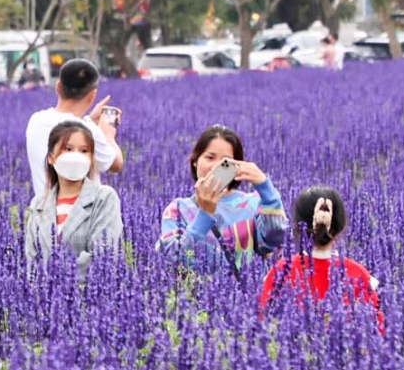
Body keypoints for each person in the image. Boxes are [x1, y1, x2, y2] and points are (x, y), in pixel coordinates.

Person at [156, 125, 287, 276]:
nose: (216, 166)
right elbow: (173, 262)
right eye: (210, 157)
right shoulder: (178, 209)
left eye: (226, 161)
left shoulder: (252, 204)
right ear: (195, 161)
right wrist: (204, 214)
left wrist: (266, 190)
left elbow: (274, 243)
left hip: (248, 296)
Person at [259, 187, 383, 330]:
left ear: (298, 226)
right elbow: (378, 327)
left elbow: (261, 318)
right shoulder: (358, 273)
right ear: (341, 226)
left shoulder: (281, 270)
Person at [24, 121, 123, 267]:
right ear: (51, 158)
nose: (76, 156)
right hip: (43, 289)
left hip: (88, 288)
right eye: (68, 149)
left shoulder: (103, 198)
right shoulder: (39, 203)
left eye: (84, 151)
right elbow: (30, 260)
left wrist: (58, 276)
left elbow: (105, 257)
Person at [23, 58, 122, 199]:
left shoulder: (36, 121)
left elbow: (69, 124)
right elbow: (116, 164)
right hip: (83, 218)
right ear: (93, 95)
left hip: (44, 214)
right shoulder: (90, 132)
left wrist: (90, 119)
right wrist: (108, 135)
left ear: (58, 87)